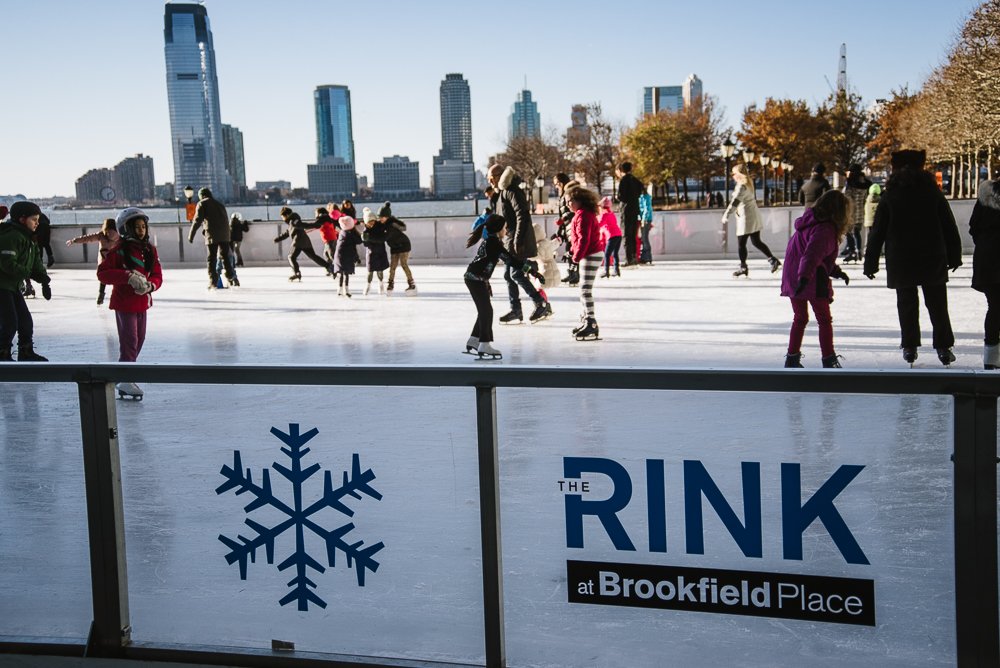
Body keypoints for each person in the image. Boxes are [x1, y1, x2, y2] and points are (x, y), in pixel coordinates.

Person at [863, 149, 963, 366]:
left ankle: (910, 346)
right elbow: (948, 224)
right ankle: (943, 347)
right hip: (932, 254)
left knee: (906, 303)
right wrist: (954, 254)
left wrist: (871, 262)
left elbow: (878, 230)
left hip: (901, 257)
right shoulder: (931, 191)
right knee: (937, 303)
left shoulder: (891, 194)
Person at [779, 191, 853, 368]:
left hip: (794, 275)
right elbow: (812, 256)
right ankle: (828, 358)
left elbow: (817, 255)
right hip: (810, 278)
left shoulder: (808, 223)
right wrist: (804, 279)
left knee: (800, 317)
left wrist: (836, 271)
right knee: (824, 319)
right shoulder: (825, 229)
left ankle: (792, 357)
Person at [96, 207, 163, 399]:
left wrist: (151, 286)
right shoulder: (119, 250)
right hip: (125, 303)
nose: (141, 230)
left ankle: (123, 373)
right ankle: (126, 378)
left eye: (143, 227)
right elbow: (103, 273)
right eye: (137, 227)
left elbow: (158, 274)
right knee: (129, 342)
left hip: (142, 301)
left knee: (139, 340)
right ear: (126, 229)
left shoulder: (150, 249)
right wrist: (127, 276)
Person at [462, 213, 539, 360]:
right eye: (504, 228)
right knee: (487, 311)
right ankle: (484, 343)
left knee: (484, 310)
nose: (506, 230)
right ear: (498, 229)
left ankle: (474, 340)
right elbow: (512, 261)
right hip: (476, 279)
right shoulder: (494, 243)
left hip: (475, 278)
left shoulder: (490, 241)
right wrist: (532, 272)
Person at [487, 163, 551, 323]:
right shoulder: (503, 192)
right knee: (508, 276)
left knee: (515, 274)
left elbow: (522, 214)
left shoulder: (512, 190)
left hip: (517, 241)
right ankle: (516, 310)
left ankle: (540, 303)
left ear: (499, 176)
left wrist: (517, 239)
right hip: (510, 240)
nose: (490, 182)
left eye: (491, 178)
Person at [0, 201, 51, 361]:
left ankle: (26, 351)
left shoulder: (29, 239)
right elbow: (7, 263)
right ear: (22, 219)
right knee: (9, 323)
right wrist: (27, 273)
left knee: (25, 322)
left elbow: (35, 262)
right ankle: (2, 352)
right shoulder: (11, 237)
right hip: (2, 287)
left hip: (13, 287)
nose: (37, 223)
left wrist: (43, 280)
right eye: (34, 219)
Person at [723, 163, 781, 277]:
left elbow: (735, 202)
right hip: (752, 215)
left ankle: (743, 267)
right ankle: (773, 260)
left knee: (741, 244)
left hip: (746, 218)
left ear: (739, 174)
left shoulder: (742, 186)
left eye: (734, 173)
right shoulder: (748, 183)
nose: (732, 176)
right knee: (756, 241)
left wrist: (726, 214)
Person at [968, 176, 1000, 369]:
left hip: (987, 260)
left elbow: (973, 227)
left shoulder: (984, 197)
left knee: (994, 306)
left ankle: (991, 355)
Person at [567, 187, 606, 341]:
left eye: (570, 200)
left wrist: (576, 256)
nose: (568, 204)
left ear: (579, 201)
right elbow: (577, 238)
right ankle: (586, 320)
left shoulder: (583, 215)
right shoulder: (580, 214)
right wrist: (572, 251)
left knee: (585, 289)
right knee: (583, 289)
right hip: (589, 254)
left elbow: (584, 239)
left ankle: (591, 323)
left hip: (591, 254)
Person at [187, 187, 237, 288]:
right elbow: (225, 220)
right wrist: (228, 236)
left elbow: (197, 220)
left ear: (202, 196)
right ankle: (230, 275)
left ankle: (213, 280)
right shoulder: (220, 204)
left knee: (212, 258)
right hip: (225, 235)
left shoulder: (202, 203)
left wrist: (191, 235)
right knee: (225, 256)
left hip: (212, 235)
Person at [66, 218, 120, 305]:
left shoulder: (101, 235)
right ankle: (117, 296)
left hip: (103, 262)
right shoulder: (119, 237)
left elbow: (87, 238)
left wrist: (74, 240)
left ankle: (100, 296)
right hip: (114, 261)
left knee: (103, 279)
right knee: (116, 279)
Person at [273, 206, 331, 281]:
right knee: (313, 256)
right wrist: (278, 239)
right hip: (305, 241)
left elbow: (301, 225)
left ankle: (297, 273)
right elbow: (288, 232)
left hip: (298, 241)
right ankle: (329, 266)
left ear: (286, 215)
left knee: (291, 257)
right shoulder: (292, 221)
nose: (283, 219)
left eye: (282, 217)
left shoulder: (293, 221)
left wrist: (314, 225)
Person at [379, 201, 416, 294]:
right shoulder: (382, 224)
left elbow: (385, 237)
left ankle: (412, 284)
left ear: (387, 217)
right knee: (392, 267)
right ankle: (390, 284)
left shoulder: (391, 224)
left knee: (404, 264)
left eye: (382, 217)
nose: (380, 219)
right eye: (379, 217)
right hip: (394, 247)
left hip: (404, 245)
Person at [615, 161, 644, 265]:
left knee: (627, 235)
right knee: (633, 235)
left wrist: (618, 198)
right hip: (635, 209)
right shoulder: (635, 180)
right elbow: (641, 189)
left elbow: (621, 196)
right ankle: (634, 257)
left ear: (620, 170)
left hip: (626, 210)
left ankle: (628, 259)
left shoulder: (623, 180)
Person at [841, 164, 871, 262]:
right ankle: (859, 252)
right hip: (860, 211)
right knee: (857, 231)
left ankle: (852, 251)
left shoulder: (850, 184)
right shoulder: (865, 183)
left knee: (848, 232)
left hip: (851, 211)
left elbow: (845, 196)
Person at [553, 173, 579, 285]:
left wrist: (563, 219)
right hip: (567, 226)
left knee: (571, 250)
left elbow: (572, 211)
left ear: (561, 183)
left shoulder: (568, 194)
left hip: (571, 225)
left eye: (556, 184)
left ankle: (575, 275)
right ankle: (573, 273)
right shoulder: (563, 195)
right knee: (569, 250)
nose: (556, 186)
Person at [361, 207, 390, 295]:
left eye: (373, 221)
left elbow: (383, 238)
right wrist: (365, 240)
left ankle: (381, 284)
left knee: (380, 270)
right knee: (370, 271)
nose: (371, 223)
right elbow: (366, 244)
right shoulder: (365, 231)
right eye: (369, 222)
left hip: (380, 251)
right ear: (366, 222)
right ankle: (368, 285)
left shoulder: (380, 226)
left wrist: (371, 239)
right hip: (371, 253)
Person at [333, 216, 362, 297]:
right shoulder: (350, 234)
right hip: (347, 257)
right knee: (346, 274)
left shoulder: (342, 232)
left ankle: (340, 289)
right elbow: (359, 241)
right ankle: (346, 290)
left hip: (339, 256)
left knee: (341, 273)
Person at [598, 196, 623, 278]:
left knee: (607, 254)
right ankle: (616, 270)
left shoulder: (604, 215)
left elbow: (599, 225)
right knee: (615, 253)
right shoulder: (611, 213)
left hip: (612, 236)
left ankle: (606, 270)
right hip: (618, 235)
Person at [315, 206, 339, 275]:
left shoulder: (322, 218)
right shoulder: (326, 218)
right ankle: (330, 268)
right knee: (326, 254)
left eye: (316, 213)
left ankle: (336, 269)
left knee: (331, 255)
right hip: (330, 239)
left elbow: (315, 225)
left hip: (329, 239)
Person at [863, 183, 881, 250]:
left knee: (869, 235)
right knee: (878, 236)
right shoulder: (880, 200)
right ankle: (878, 249)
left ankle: (868, 248)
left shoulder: (867, 200)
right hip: (877, 221)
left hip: (868, 221)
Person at [638, 188, 654, 265]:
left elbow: (646, 209)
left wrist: (644, 219)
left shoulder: (645, 197)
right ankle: (645, 257)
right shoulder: (641, 196)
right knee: (643, 238)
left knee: (644, 238)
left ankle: (647, 257)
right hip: (643, 219)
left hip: (645, 220)